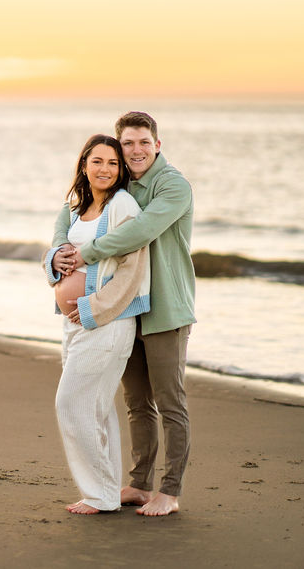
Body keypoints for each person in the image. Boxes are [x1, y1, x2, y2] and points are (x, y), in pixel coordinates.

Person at [51, 112, 195, 517]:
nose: (135, 151)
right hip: (128, 311)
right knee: (136, 403)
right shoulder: (121, 184)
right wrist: (56, 255)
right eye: (127, 144)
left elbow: (139, 233)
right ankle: (139, 483)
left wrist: (86, 254)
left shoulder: (172, 185)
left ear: (157, 145)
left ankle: (169, 491)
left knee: (169, 401)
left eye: (143, 143)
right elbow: (70, 219)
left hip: (166, 308)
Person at [43, 134, 152, 515]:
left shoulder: (124, 207)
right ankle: (106, 492)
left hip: (107, 322)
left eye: (112, 163)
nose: (105, 169)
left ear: (121, 170)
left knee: (71, 403)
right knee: (96, 408)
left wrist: (92, 308)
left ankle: (98, 494)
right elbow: (58, 247)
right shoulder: (77, 206)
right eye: (97, 162)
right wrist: (53, 261)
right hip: (74, 325)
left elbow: (132, 270)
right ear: (84, 165)